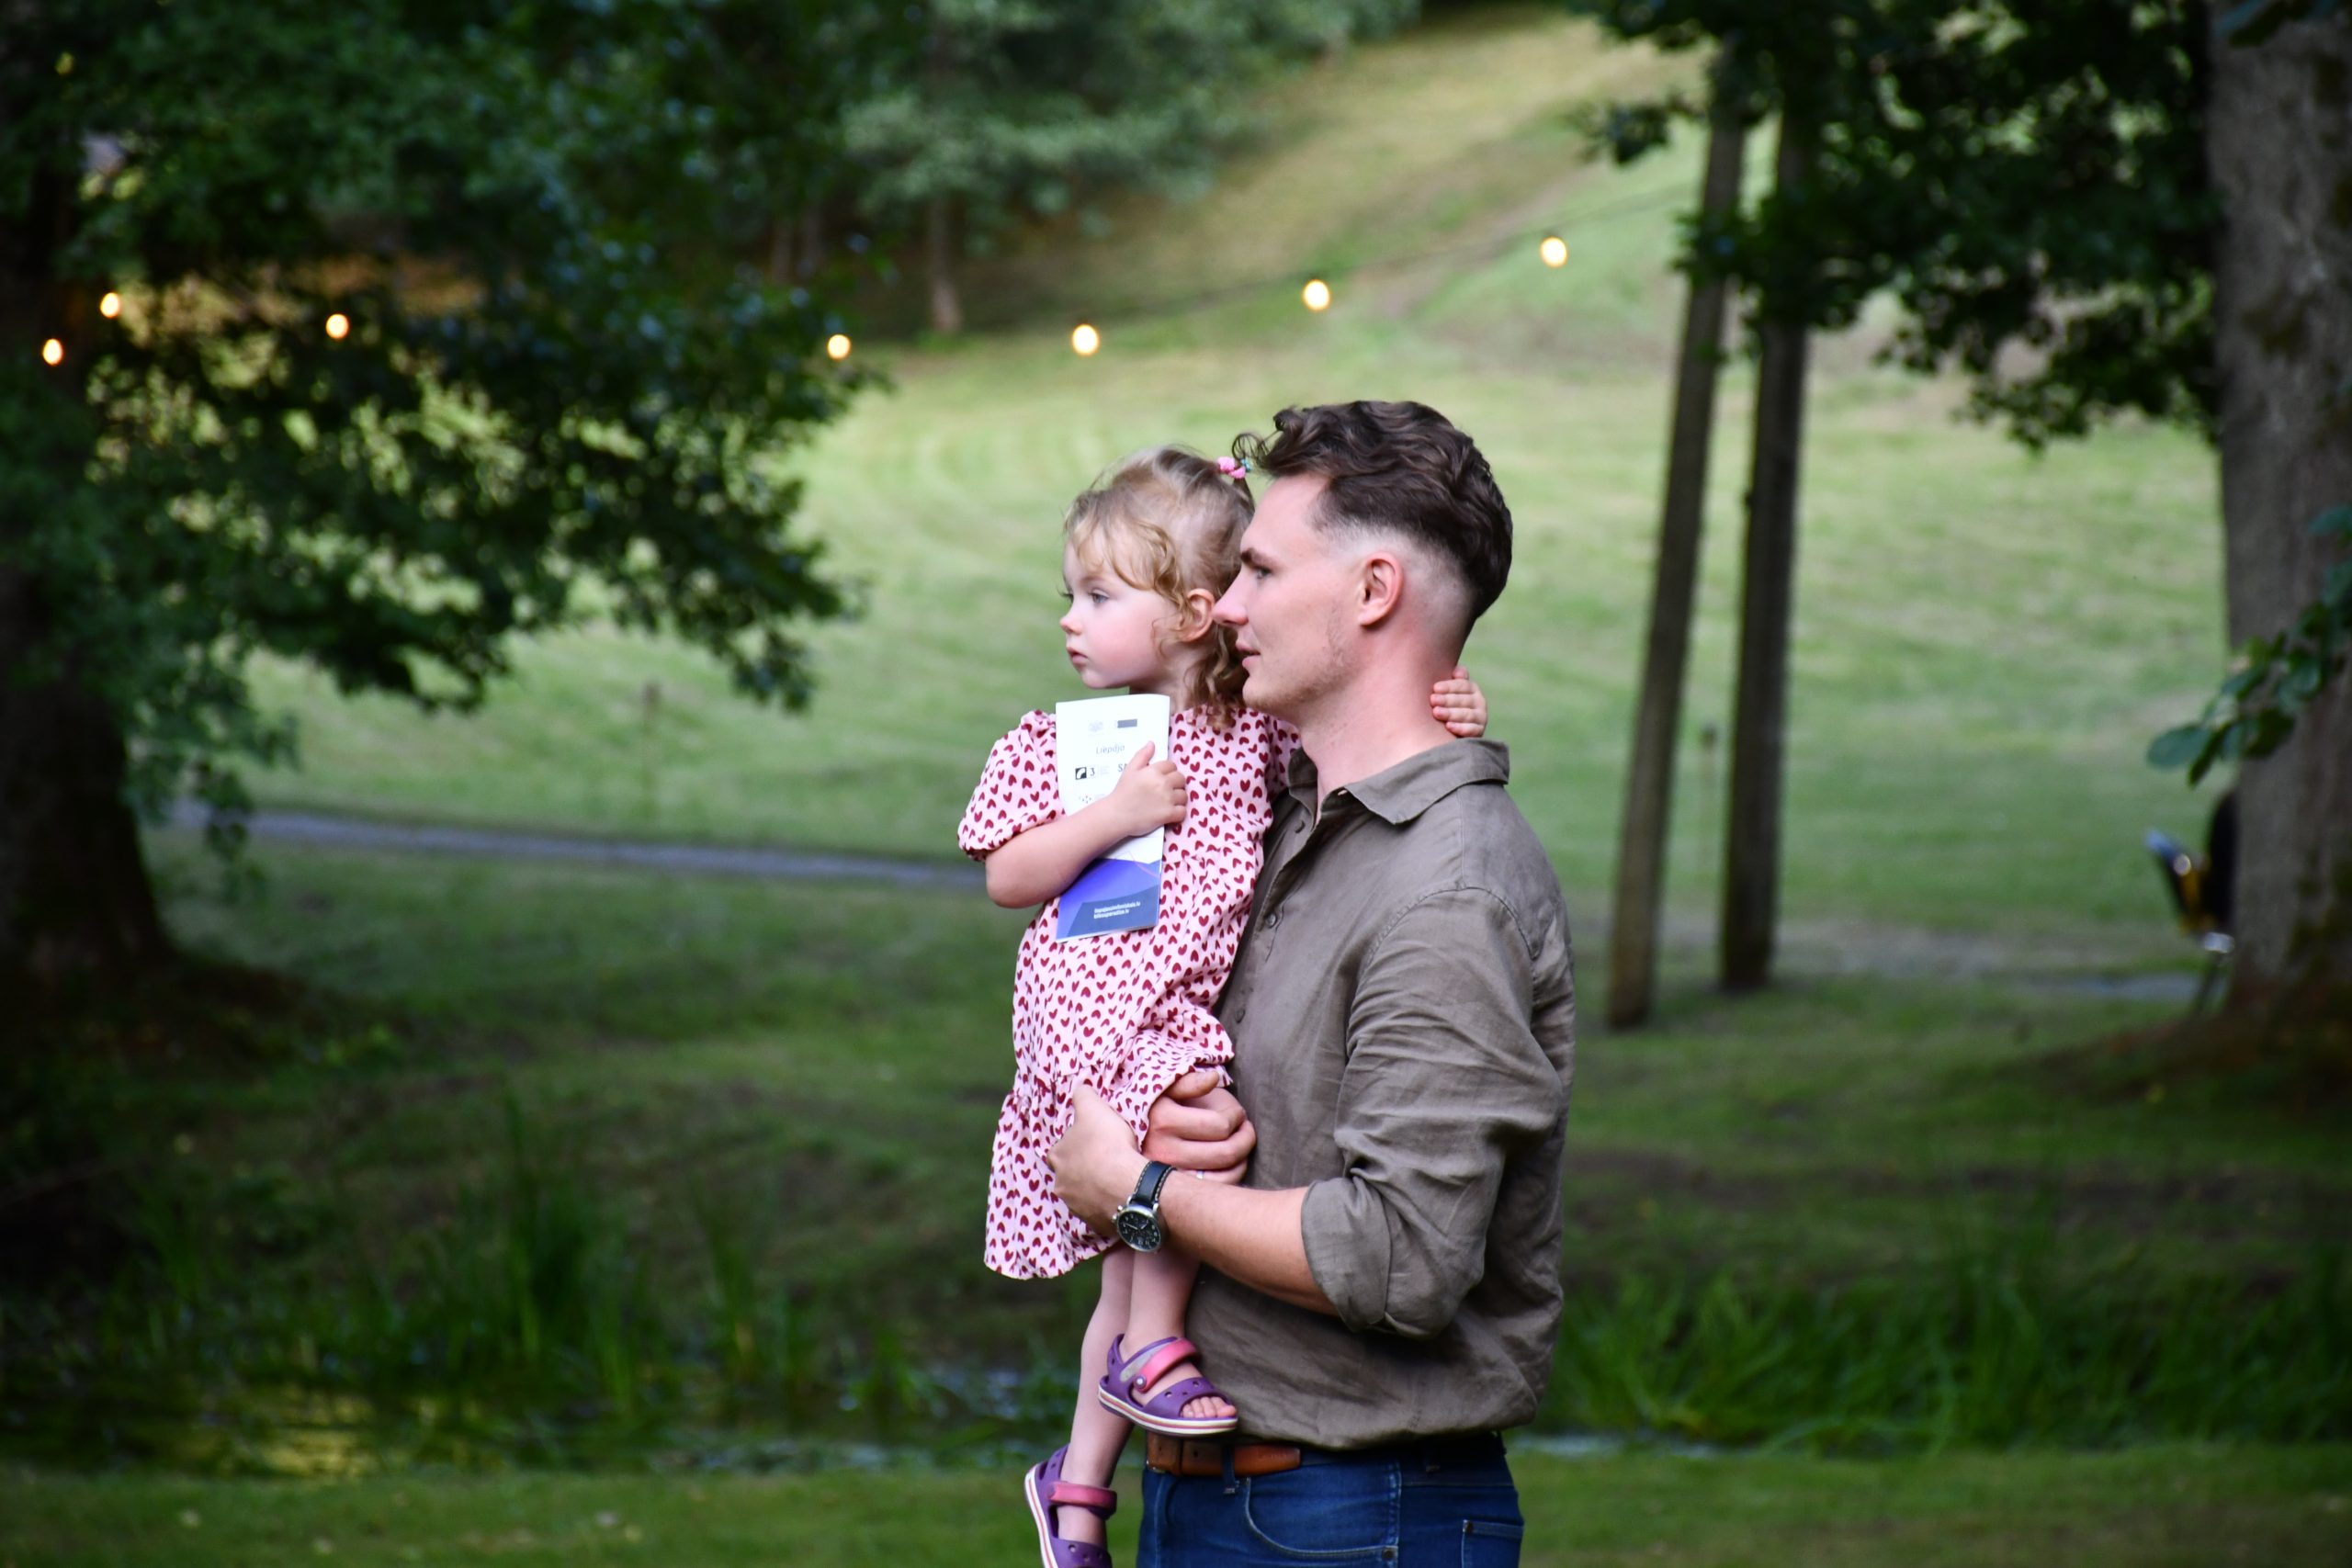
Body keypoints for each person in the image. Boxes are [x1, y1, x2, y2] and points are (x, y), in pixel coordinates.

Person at [1048, 401, 1577, 1568]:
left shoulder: (1446, 890)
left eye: (1261, 570)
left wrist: (1137, 1191)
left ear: (1374, 592)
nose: (1226, 606)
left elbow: (1400, 1256)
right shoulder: (1267, 826)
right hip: (1217, 1501)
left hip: (1350, 1518)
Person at [956, 445, 1488, 1568]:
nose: (1069, 620)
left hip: (1171, 1006)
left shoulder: (1249, 731)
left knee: (1144, 1222)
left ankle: (1078, 1493)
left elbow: (1362, 741)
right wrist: (1113, 815)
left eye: (1099, 597)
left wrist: (1452, 709)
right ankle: (1156, 1349)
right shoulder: (1057, 744)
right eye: (1072, 595)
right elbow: (1006, 875)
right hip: (1092, 1006)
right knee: (1196, 1128)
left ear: (1193, 616)